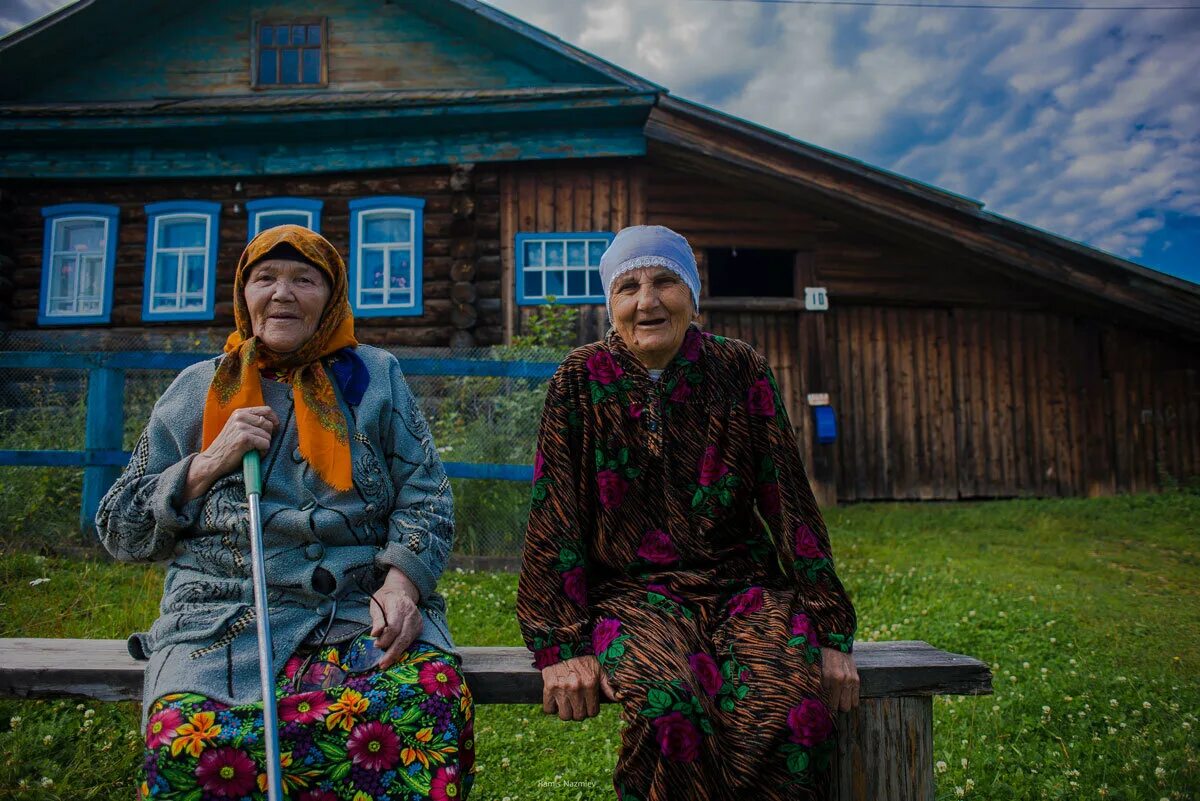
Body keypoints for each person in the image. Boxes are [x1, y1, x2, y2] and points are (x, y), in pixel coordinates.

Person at [96, 225, 474, 801]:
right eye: (265, 278)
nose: (282, 294)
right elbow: (120, 531)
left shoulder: (374, 378)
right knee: (189, 740)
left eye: (305, 279)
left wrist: (403, 586)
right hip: (222, 621)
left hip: (355, 612)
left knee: (427, 703)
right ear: (243, 295)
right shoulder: (196, 389)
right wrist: (208, 462)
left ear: (332, 295)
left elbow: (426, 494)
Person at [516, 225, 859, 801]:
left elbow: (788, 497)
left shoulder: (739, 369)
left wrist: (828, 626)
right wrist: (560, 643)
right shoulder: (579, 379)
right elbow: (556, 512)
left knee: (790, 705)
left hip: (742, 585)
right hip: (631, 592)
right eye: (628, 287)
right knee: (667, 703)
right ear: (611, 306)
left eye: (664, 281)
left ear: (692, 296)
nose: (647, 301)